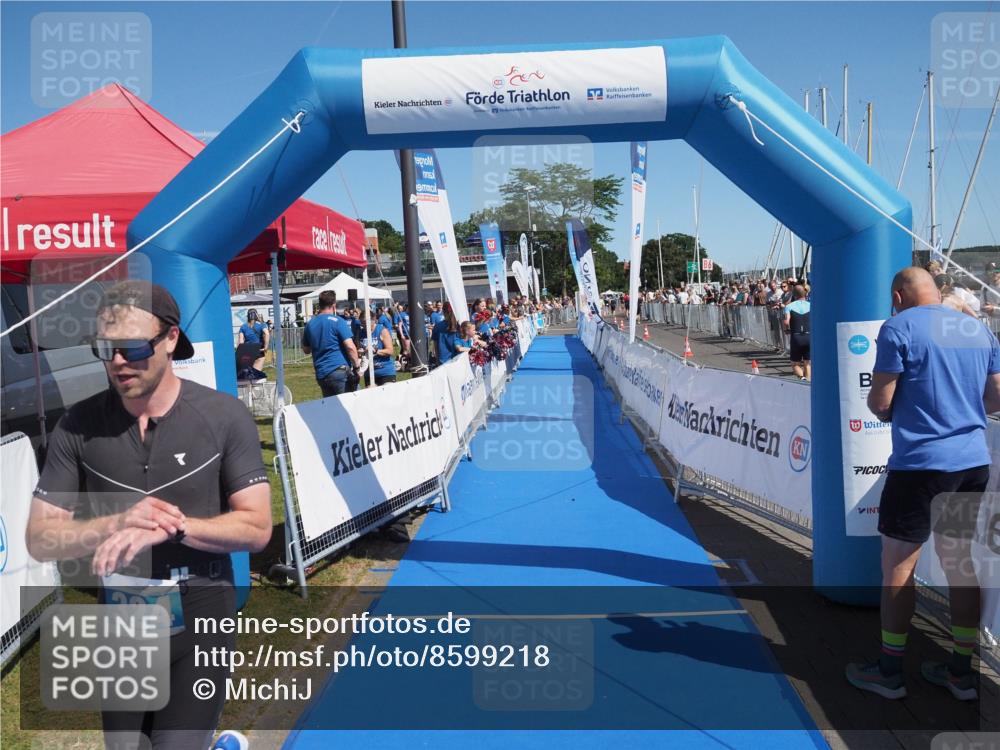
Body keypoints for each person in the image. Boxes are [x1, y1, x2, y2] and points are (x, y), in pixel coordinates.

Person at [26, 281, 272, 750]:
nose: (118, 362)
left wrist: (177, 526)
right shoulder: (76, 425)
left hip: (202, 608)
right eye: (106, 349)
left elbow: (257, 526)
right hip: (123, 619)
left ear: (171, 339)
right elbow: (41, 537)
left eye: (133, 347)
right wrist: (117, 522)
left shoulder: (223, 416)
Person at [846, 267, 1000, 701]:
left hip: (920, 466)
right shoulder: (977, 329)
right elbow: (996, 398)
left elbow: (880, 401)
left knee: (898, 565)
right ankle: (960, 673)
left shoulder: (897, 328)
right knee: (959, 561)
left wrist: (896, 411)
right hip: (971, 462)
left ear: (898, 296)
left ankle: (890, 672)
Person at [301, 290, 362, 397]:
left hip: (321, 373)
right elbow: (350, 347)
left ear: (319, 304)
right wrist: (357, 367)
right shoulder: (338, 321)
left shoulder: (310, 324)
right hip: (339, 370)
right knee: (353, 404)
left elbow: (306, 350)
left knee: (331, 409)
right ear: (334, 305)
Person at [783, 285, 811, 381]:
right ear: (805, 293)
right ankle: (808, 383)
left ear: (793, 294)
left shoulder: (789, 306)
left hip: (796, 336)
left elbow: (786, 321)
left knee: (795, 364)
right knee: (807, 363)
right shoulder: (811, 305)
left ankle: (802, 378)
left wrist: (787, 329)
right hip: (809, 336)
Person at [364, 312, 397, 386]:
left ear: (373, 320)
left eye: (365, 322)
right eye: (362, 323)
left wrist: (376, 351)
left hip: (385, 371)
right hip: (369, 373)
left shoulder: (382, 330)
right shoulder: (361, 332)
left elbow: (390, 351)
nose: (363, 325)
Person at [432, 302, 460, 366]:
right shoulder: (459, 326)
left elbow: (436, 347)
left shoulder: (437, 326)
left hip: (443, 361)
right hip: (458, 360)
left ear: (443, 311)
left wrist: (437, 361)